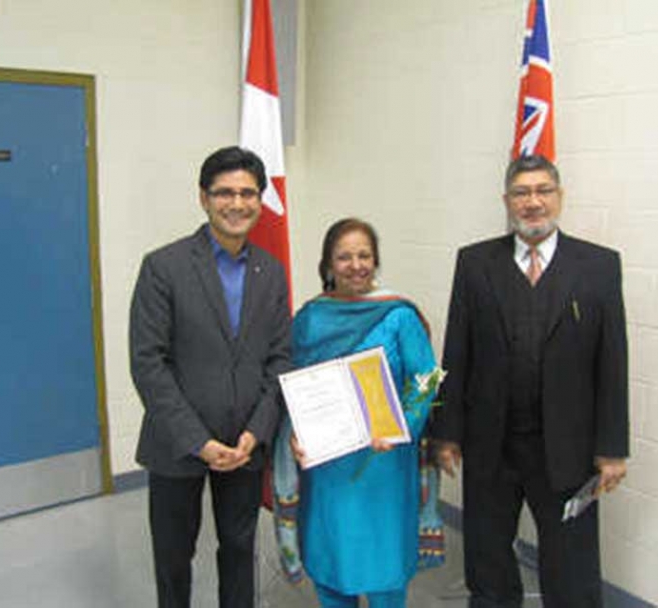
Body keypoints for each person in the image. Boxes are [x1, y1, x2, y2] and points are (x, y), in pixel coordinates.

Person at [431, 155, 629, 608]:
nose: (533, 202)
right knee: (488, 564)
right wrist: (447, 434)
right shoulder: (475, 263)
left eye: (543, 191)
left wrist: (612, 447)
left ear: (559, 197)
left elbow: (612, 362)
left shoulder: (598, 267)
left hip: (569, 451)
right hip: (491, 445)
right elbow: (457, 353)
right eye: (522, 193)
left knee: (571, 571)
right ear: (507, 201)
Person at [129, 146, 292, 608]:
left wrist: (255, 432)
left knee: (240, 550)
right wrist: (197, 441)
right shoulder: (164, 267)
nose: (237, 203)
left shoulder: (271, 272)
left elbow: (280, 359)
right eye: (224, 193)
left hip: (244, 444)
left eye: (248, 193)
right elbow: (148, 363)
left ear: (261, 200)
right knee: (174, 557)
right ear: (203, 198)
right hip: (177, 444)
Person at [273, 218, 445, 608]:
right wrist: (296, 432)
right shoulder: (310, 318)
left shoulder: (398, 315)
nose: (356, 264)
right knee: (331, 562)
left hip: (383, 461)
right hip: (327, 464)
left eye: (364, 255)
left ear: (376, 260)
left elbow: (426, 378)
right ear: (329, 264)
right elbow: (292, 384)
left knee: (384, 569)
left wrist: (403, 425)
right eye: (344, 256)